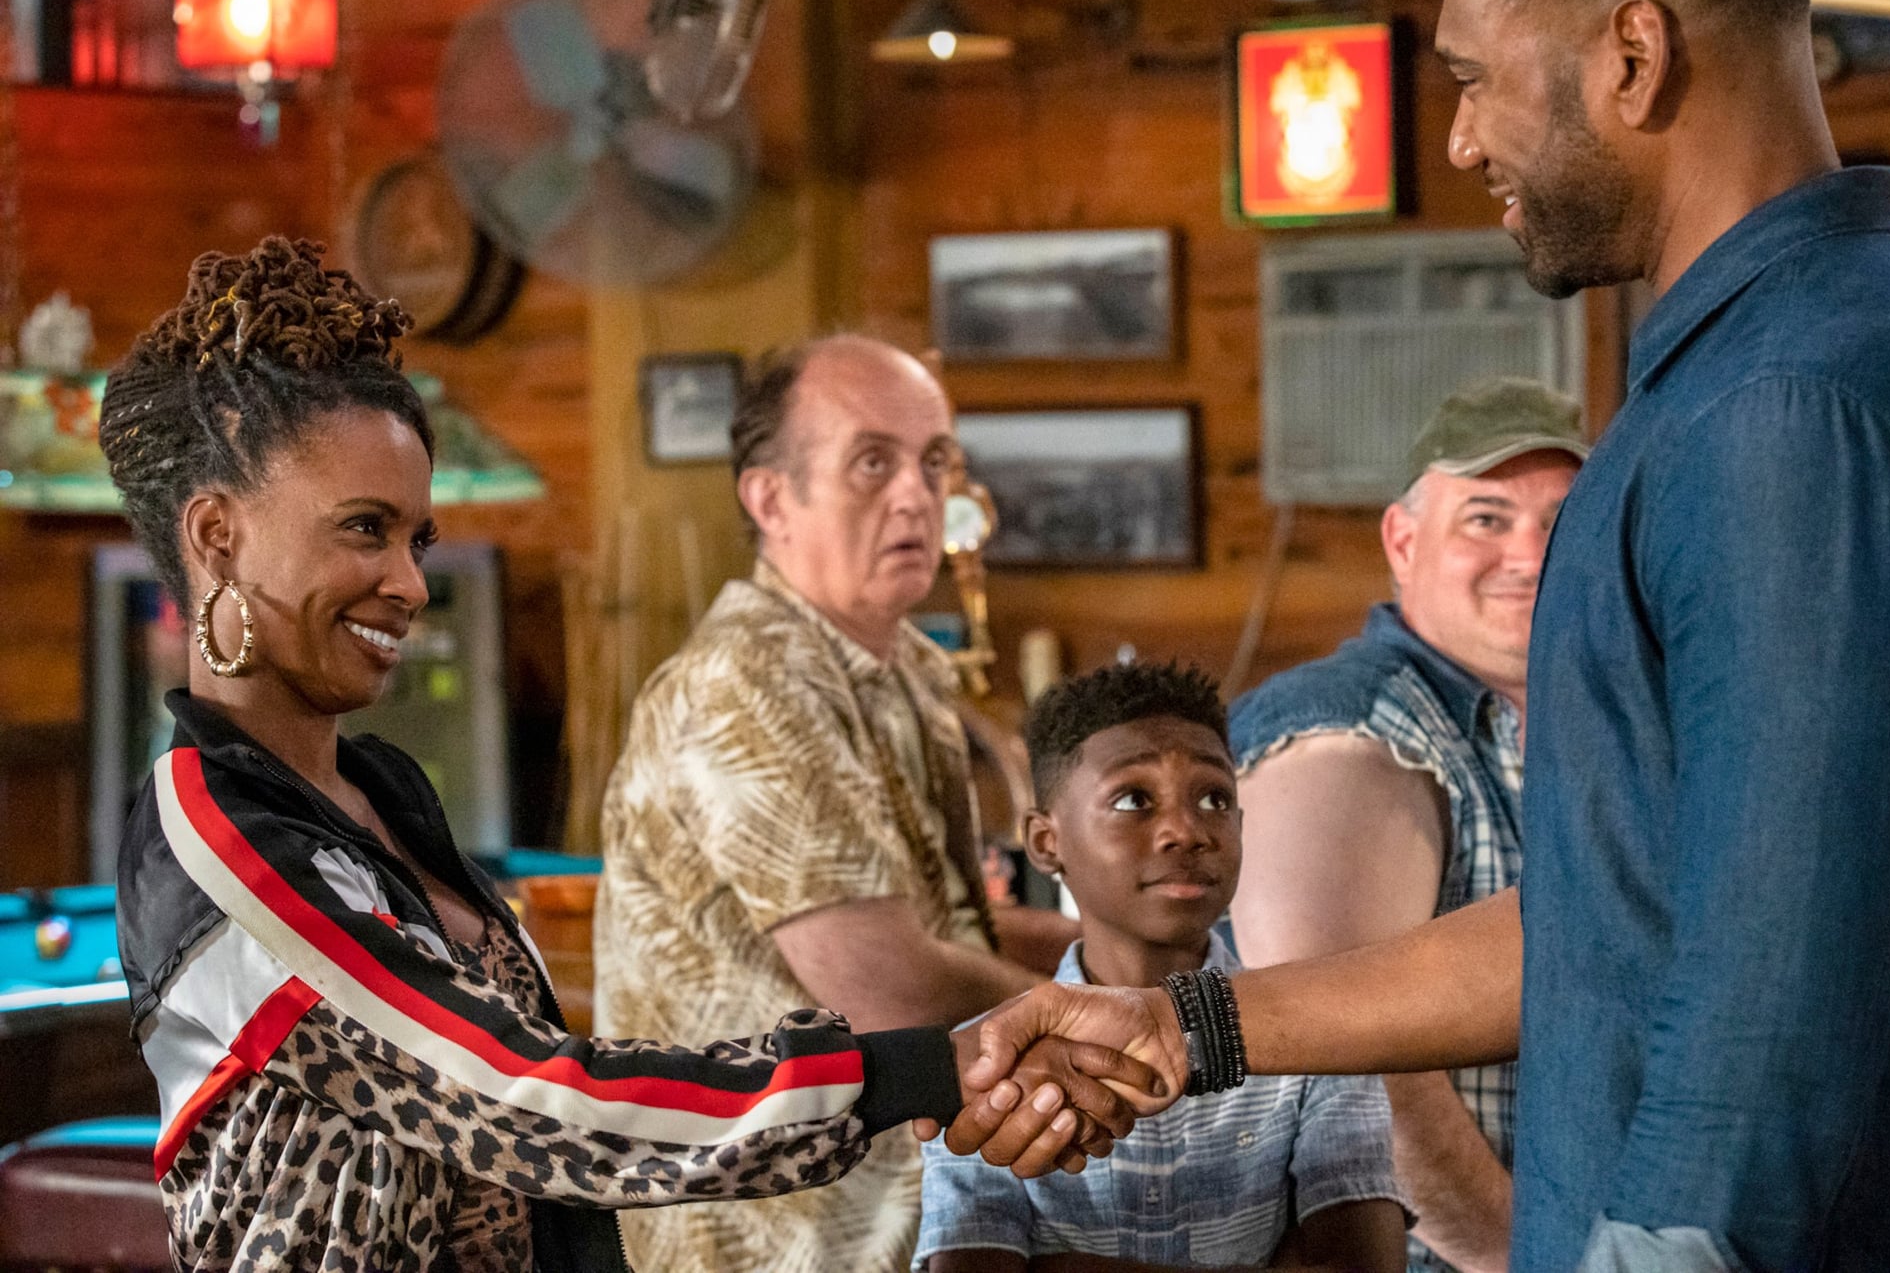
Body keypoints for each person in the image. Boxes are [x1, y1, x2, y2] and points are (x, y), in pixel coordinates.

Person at [943, 0, 1890, 1270]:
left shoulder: (1791, 406)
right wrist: (1193, 1026)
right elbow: (1618, 911)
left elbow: (1769, 1004)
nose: (1460, 139)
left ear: (1632, 59)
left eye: (1474, 78)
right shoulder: (1812, 354)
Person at [101, 240, 1149, 1273]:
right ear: (216, 538)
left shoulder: (378, 787)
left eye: (417, 540)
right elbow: (525, 1098)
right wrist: (934, 1065)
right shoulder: (210, 835)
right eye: (365, 530)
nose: (411, 583)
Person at [596, 334, 1077, 1273]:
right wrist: (1128, 1011)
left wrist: (1140, 966)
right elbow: (889, 984)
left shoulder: (891, 671)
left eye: (934, 461)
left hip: (904, 1203)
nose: (916, 495)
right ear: (771, 498)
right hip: (781, 1235)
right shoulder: (748, 681)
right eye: (871, 461)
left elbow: (951, 933)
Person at [1229, 378, 1582, 1273]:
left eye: (1561, 520)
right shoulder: (1350, 727)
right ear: (1403, 539)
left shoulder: (1585, 728)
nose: (1531, 555)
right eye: (1488, 518)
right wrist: (1512, 1253)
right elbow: (1340, 1056)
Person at [917, 663, 1410, 1273]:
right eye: (1133, 800)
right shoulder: (990, 1058)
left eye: (1214, 799)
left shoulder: (1320, 1045)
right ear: (1047, 843)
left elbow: (1363, 1263)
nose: (1186, 830)